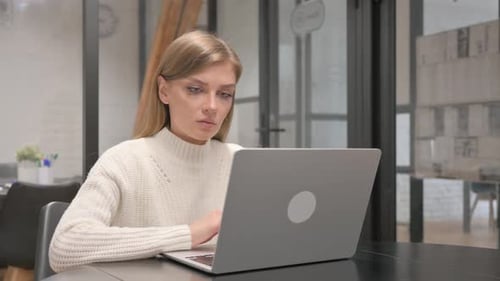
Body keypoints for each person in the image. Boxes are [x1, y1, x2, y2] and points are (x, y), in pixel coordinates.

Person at [49, 30, 243, 272]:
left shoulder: (241, 162)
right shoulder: (124, 161)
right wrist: (188, 235)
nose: (212, 107)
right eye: (195, 89)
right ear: (164, 90)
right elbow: (65, 247)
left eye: (225, 94)